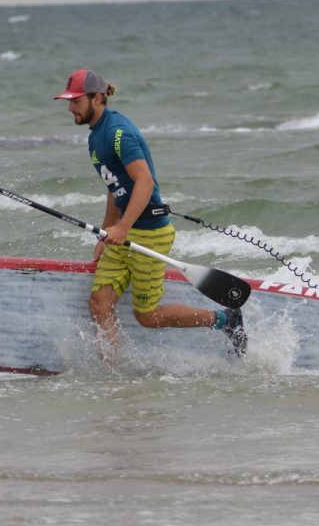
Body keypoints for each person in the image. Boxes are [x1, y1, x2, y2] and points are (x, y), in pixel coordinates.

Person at [54, 68, 245, 360]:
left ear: (97, 99)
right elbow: (114, 185)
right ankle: (114, 373)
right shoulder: (95, 138)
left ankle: (225, 320)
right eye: (69, 101)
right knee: (99, 303)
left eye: (76, 101)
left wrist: (123, 226)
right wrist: (108, 232)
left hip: (150, 233)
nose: (70, 108)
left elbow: (145, 182)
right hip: (121, 233)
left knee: (148, 316)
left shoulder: (119, 134)